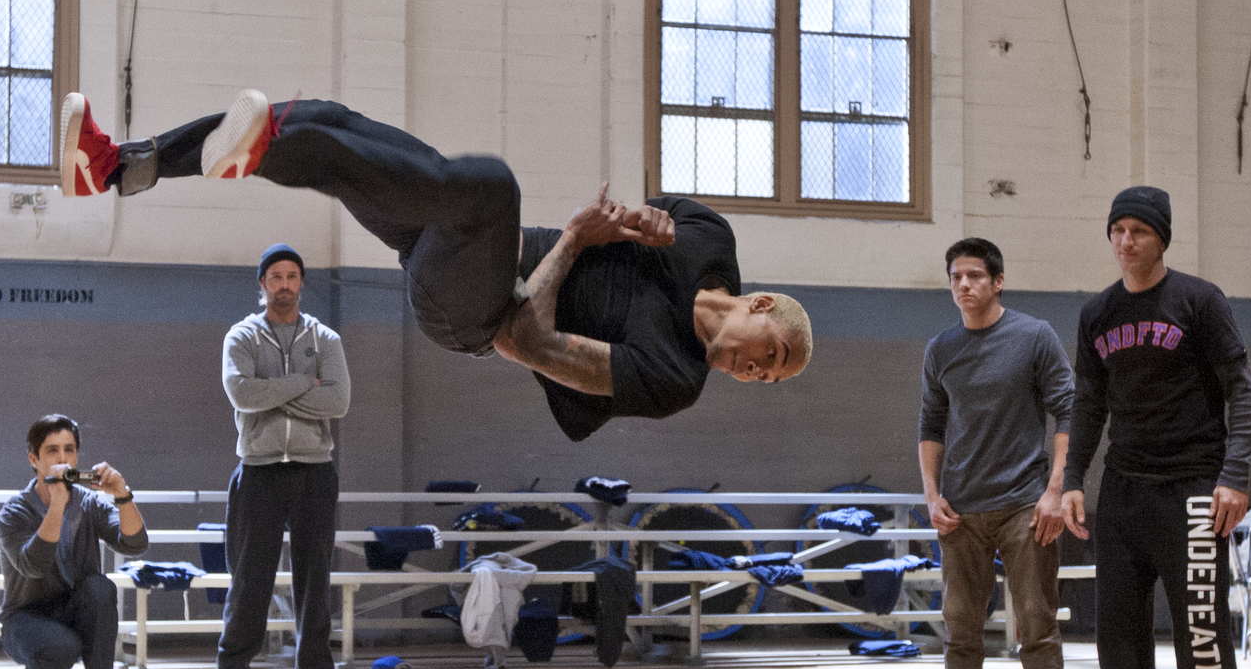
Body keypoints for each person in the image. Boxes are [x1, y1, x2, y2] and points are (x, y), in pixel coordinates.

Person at [57, 90, 812, 441]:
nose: (756, 373)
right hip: (451, 242)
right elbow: (650, 214)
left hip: (476, 311)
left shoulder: (673, 380)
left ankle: (263, 152)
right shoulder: (709, 237)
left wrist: (576, 241)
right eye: (769, 354)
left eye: (769, 380)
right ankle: (117, 166)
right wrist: (639, 219)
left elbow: (528, 343)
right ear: (761, 303)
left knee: (492, 187)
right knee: (324, 121)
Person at [1062, 186, 1251, 669]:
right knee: (1116, 628)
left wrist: (1234, 476)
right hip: (1124, 489)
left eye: (1139, 231)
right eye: (1118, 230)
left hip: (1194, 487)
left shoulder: (1199, 301)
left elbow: (1243, 392)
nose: (1126, 241)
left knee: (1200, 625)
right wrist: (1071, 480)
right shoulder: (1097, 314)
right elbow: (1088, 405)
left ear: (1162, 238)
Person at [902, 238, 1076, 669]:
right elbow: (930, 427)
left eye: (975, 276)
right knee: (961, 630)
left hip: (1025, 505)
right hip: (959, 512)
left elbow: (1069, 412)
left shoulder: (1034, 336)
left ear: (998, 281)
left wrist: (1054, 491)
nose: (964, 285)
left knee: (1037, 626)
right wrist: (932, 497)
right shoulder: (941, 349)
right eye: (955, 277)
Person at [211, 243, 356, 669]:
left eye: (292, 276)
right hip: (259, 471)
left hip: (315, 472)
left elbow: (339, 403)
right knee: (250, 581)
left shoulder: (326, 339)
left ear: (301, 283)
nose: (285, 284)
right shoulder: (242, 337)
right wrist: (303, 385)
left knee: (315, 584)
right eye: (276, 276)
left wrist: (273, 394)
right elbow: (242, 394)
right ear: (262, 284)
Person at [0, 414, 147, 669]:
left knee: (101, 589)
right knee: (59, 647)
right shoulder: (14, 512)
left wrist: (122, 495)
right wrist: (57, 505)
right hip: (26, 619)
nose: (63, 458)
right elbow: (32, 565)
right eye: (52, 451)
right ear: (34, 459)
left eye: (69, 449)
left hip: (75, 610)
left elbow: (135, 544)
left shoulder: (89, 503)